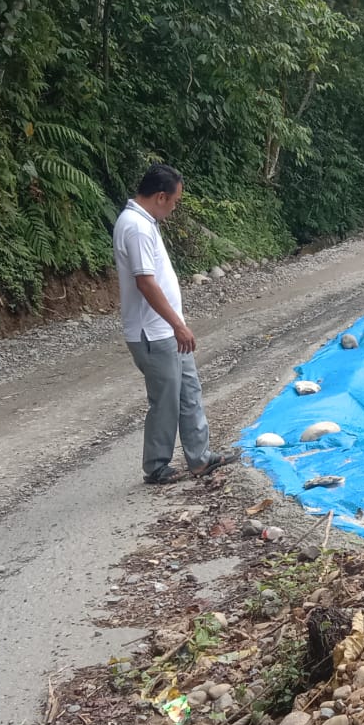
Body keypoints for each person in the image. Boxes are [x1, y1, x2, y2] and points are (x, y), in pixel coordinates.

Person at [113, 164, 228, 485]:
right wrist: (178, 324)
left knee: (189, 391)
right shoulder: (135, 226)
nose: (176, 207)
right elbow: (146, 283)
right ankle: (156, 466)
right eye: (175, 201)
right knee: (165, 401)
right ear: (161, 196)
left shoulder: (145, 222)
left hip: (166, 330)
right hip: (153, 332)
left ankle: (200, 458)